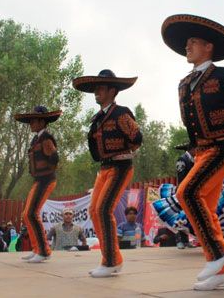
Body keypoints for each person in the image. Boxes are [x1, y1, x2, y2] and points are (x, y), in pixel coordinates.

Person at [161, 14, 224, 290]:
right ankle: (223, 273)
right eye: (187, 43)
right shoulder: (183, 83)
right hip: (201, 152)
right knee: (204, 206)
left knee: (187, 192)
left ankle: (221, 254)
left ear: (208, 47)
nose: (187, 46)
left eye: (193, 42)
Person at [72, 69, 143, 278]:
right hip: (104, 167)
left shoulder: (121, 113)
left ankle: (112, 261)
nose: (96, 92)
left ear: (112, 90)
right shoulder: (98, 118)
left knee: (103, 210)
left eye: (100, 88)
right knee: (94, 210)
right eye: (95, 88)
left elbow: (136, 139)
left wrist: (122, 151)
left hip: (120, 166)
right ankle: (109, 259)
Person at [14, 105, 62, 263]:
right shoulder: (36, 138)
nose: (31, 124)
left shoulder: (46, 138)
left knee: (32, 213)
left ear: (42, 121)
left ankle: (43, 251)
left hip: (46, 179)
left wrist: (47, 171)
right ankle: (37, 249)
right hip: (39, 180)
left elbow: (54, 158)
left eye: (33, 121)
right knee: (27, 214)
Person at [174, 148, 195, 249]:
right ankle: (180, 240)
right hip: (183, 190)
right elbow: (181, 176)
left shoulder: (193, 159)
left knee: (188, 216)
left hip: (191, 191)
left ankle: (186, 240)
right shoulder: (182, 159)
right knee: (181, 215)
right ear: (193, 148)